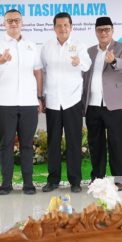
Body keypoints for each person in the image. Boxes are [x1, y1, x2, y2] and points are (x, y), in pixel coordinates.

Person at [0, 10, 43, 195]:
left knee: (27, 144)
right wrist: (3, 59)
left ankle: (28, 182)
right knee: (6, 143)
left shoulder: (31, 45)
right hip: (5, 101)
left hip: (29, 101)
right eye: (9, 21)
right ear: (4, 24)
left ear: (22, 22)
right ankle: (6, 183)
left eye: (17, 20)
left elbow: (37, 71)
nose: (13, 23)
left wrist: (39, 96)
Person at [39, 12, 92, 193]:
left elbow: (87, 64)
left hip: (72, 99)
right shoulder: (46, 46)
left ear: (71, 27)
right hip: (53, 100)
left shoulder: (79, 45)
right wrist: (42, 96)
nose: (63, 29)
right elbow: (43, 73)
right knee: (53, 142)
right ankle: (53, 180)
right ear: (54, 27)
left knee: (74, 142)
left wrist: (79, 61)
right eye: (59, 25)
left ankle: (75, 181)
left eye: (66, 25)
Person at [82, 16, 122, 187]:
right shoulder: (89, 51)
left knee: (117, 142)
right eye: (100, 30)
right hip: (93, 104)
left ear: (112, 31)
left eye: (106, 29)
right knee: (95, 143)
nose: (103, 33)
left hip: (114, 103)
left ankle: (120, 179)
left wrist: (114, 61)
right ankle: (98, 177)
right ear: (95, 32)